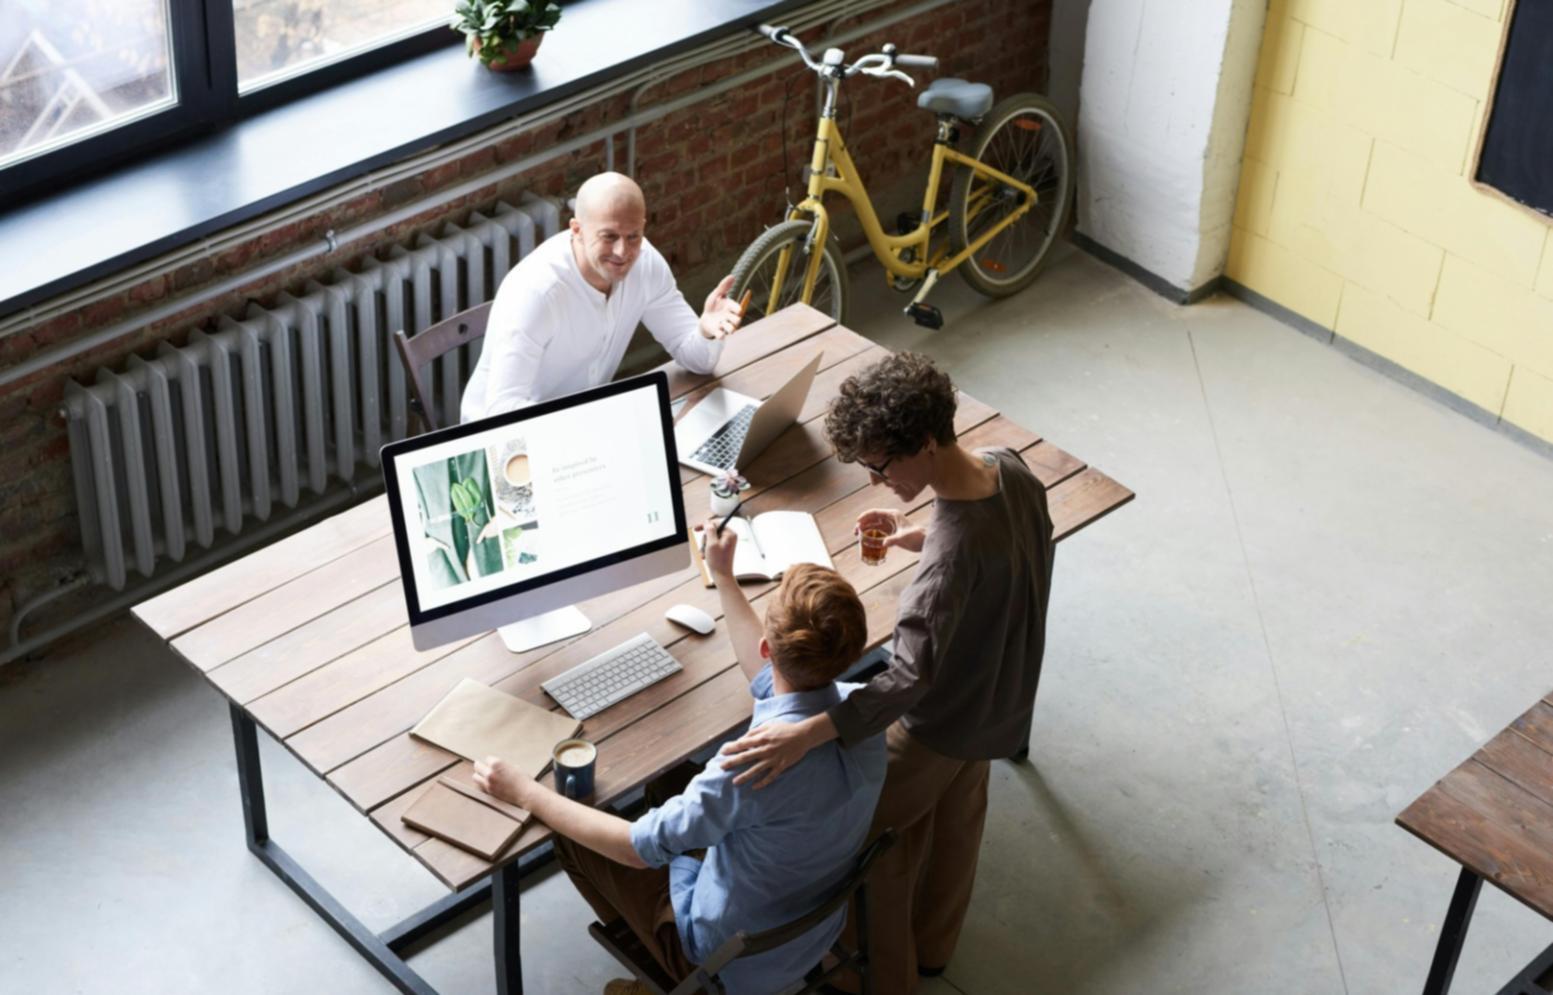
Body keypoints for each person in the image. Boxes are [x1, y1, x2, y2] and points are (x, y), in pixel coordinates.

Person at [717, 352, 1057, 993]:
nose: (875, 481)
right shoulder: (1008, 468)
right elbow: (998, 545)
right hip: (1001, 698)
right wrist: (916, 536)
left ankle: (878, 981)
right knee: (958, 828)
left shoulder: (945, 568)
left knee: (874, 846)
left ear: (924, 444)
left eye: (879, 465)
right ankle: (934, 954)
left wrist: (808, 732)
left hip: (941, 724)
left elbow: (904, 680)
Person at [472, 523, 887, 995]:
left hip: (729, 963)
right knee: (673, 779)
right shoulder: (865, 714)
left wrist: (524, 791)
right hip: (807, 931)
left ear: (767, 648)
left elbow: (633, 847)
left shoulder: (747, 766)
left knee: (574, 837)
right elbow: (774, 682)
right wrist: (724, 578)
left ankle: (659, 970)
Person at [459, 171, 744, 422]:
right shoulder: (538, 292)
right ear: (577, 230)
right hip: (509, 440)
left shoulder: (645, 264)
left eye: (634, 236)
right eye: (609, 237)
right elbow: (502, 412)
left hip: (586, 421)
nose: (623, 252)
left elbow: (698, 361)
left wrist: (706, 331)